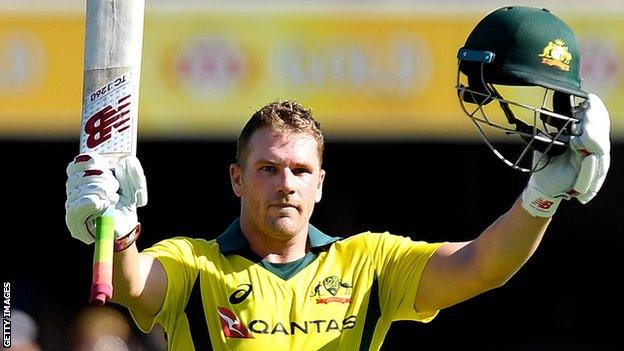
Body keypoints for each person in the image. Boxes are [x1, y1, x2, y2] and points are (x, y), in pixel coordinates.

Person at [64, 6, 610, 351]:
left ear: (321, 183)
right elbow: (132, 283)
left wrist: (542, 196)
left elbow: (482, 267)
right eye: (268, 169)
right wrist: (117, 225)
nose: (286, 184)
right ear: (236, 179)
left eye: (301, 171)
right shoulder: (195, 264)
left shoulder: (369, 263)